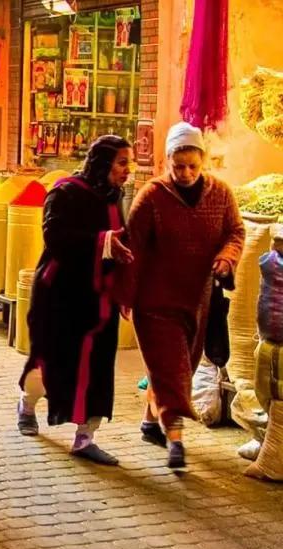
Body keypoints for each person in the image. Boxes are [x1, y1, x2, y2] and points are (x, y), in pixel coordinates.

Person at [119, 122, 245, 469]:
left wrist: (226, 258)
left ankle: (149, 422)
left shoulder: (220, 194)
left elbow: (235, 231)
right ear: (167, 162)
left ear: (202, 162)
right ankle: (175, 437)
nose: (186, 173)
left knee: (180, 367)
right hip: (155, 302)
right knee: (171, 369)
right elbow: (134, 248)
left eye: (192, 166)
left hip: (197, 300)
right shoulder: (152, 196)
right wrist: (125, 294)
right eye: (179, 166)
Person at [16, 136, 136, 466]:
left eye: (129, 163)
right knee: (51, 362)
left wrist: (125, 291)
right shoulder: (65, 191)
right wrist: (105, 242)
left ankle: (85, 438)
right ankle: (27, 406)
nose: (127, 170)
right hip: (61, 297)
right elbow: (55, 238)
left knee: (97, 370)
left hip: (99, 300)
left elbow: (122, 244)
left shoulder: (115, 197)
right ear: (102, 163)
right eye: (121, 163)